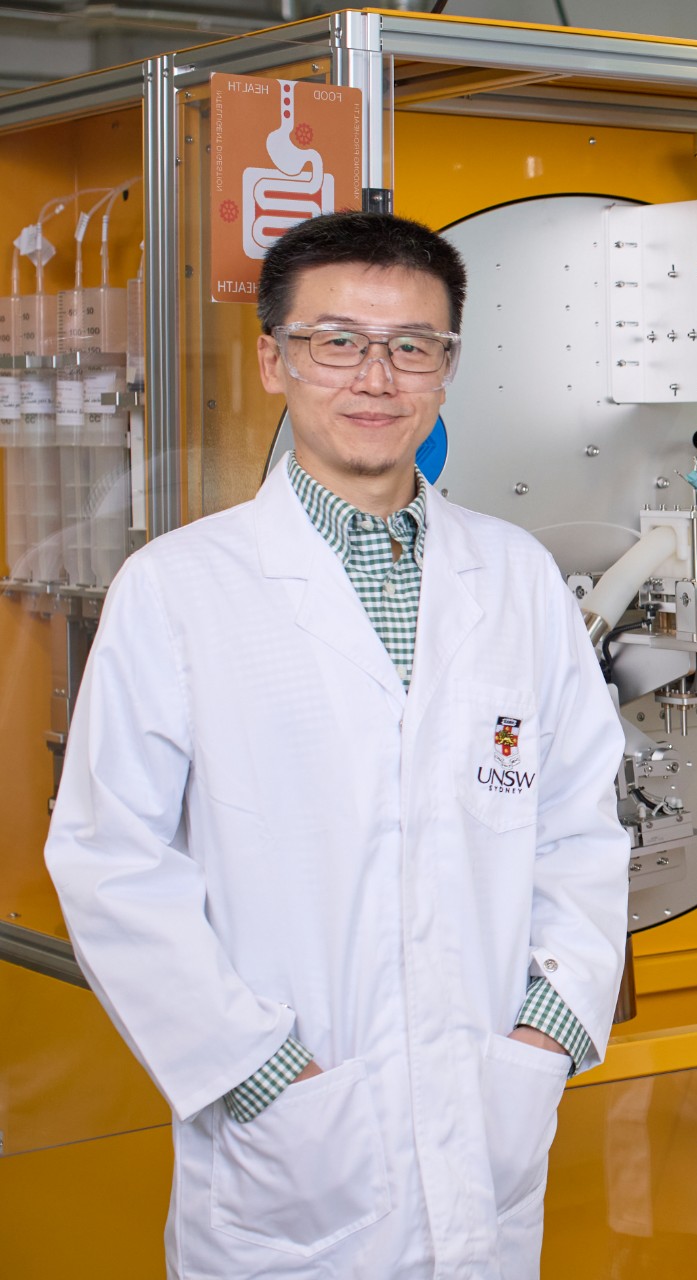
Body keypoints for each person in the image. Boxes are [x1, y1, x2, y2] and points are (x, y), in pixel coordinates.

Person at [43, 211, 629, 1278]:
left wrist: (545, 1033)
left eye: (414, 345)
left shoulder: (514, 576)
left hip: (485, 1120)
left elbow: (582, 820)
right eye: (337, 341)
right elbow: (110, 858)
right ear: (274, 358)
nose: (377, 376)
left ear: (447, 367)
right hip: (286, 1153)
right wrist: (259, 1071)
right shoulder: (178, 589)